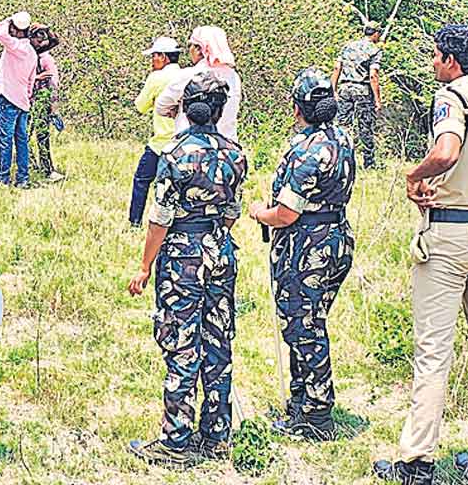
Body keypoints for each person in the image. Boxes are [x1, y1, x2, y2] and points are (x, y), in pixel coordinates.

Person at [374, 25, 468, 485]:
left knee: (433, 351)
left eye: (436, 57)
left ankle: (417, 461)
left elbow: (444, 152)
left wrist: (412, 175)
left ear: (452, 63)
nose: (433, 64)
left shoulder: (452, 98)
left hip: (448, 233)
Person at [127, 72, 247, 470]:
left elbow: (159, 218)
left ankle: (176, 440)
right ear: (219, 110)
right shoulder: (235, 154)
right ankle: (216, 436)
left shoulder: (175, 155)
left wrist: (145, 266)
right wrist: (213, 236)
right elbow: (232, 212)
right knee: (218, 340)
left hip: (182, 253)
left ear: (185, 109)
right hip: (220, 250)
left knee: (181, 343)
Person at [249, 68, 356, 441]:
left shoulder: (306, 149)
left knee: (304, 327)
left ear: (298, 108)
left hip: (307, 246)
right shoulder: (343, 138)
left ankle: (316, 414)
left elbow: (286, 214)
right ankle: (300, 402)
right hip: (336, 237)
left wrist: (258, 213)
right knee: (308, 321)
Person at [129, 37, 183, 227]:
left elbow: (140, 106)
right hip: (184, 143)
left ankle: (135, 223)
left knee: (142, 181)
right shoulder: (188, 75)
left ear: (164, 57)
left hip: (160, 143)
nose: (152, 60)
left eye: (155, 56)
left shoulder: (157, 78)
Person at [156, 26, 242, 141]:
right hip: (226, 147)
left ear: (199, 49)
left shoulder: (188, 75)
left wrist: (177, 111)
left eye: (191, 45)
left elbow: (161, 106)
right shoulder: (234, 77)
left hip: (190, 147)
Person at [0, 11, 36, 188]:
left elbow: (0, 33)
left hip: (8, 97)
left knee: (5, 140)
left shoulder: (15, 46)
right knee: (21, 140)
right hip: (23, 101)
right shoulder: (32, 52)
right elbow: (31, 81)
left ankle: (3, 177)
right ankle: (23, 178)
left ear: (16, 30)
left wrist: (8, 20)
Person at [334, 21, 384, 169]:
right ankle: (369, 163)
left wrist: (333, 90)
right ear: (375, 34)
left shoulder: (348, 46)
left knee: (342, 125)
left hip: (344, 89)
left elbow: (337, 68)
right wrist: (377, 100)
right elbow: (373, 75)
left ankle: (340, 160)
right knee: (365, 126)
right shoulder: (375, 50)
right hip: (362, 90)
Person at [27, 24, 64, 182]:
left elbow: (55, 40)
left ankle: (47, 168)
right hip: (26, 99)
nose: (41, 41)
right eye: (38, 37)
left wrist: (46, 29)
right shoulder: (24, 53)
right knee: (24, 136)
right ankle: (30, 165)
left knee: (42, 135)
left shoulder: (42, 55)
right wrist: (38, 78)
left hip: (41, 99)